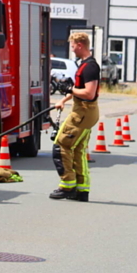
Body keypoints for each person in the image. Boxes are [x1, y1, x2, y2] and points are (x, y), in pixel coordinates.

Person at [50, 32, 100, 202]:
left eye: (72, 46)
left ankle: (67, 186)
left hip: (83, 113)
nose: (72, 50)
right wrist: (63, 99)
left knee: (61, 145)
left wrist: (69, 90)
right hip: (86, 112)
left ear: (80, 44)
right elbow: (79, 88)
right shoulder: (84, 64)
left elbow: (88, 93)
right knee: (77, 150)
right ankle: (81, 190)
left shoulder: (90, 66)